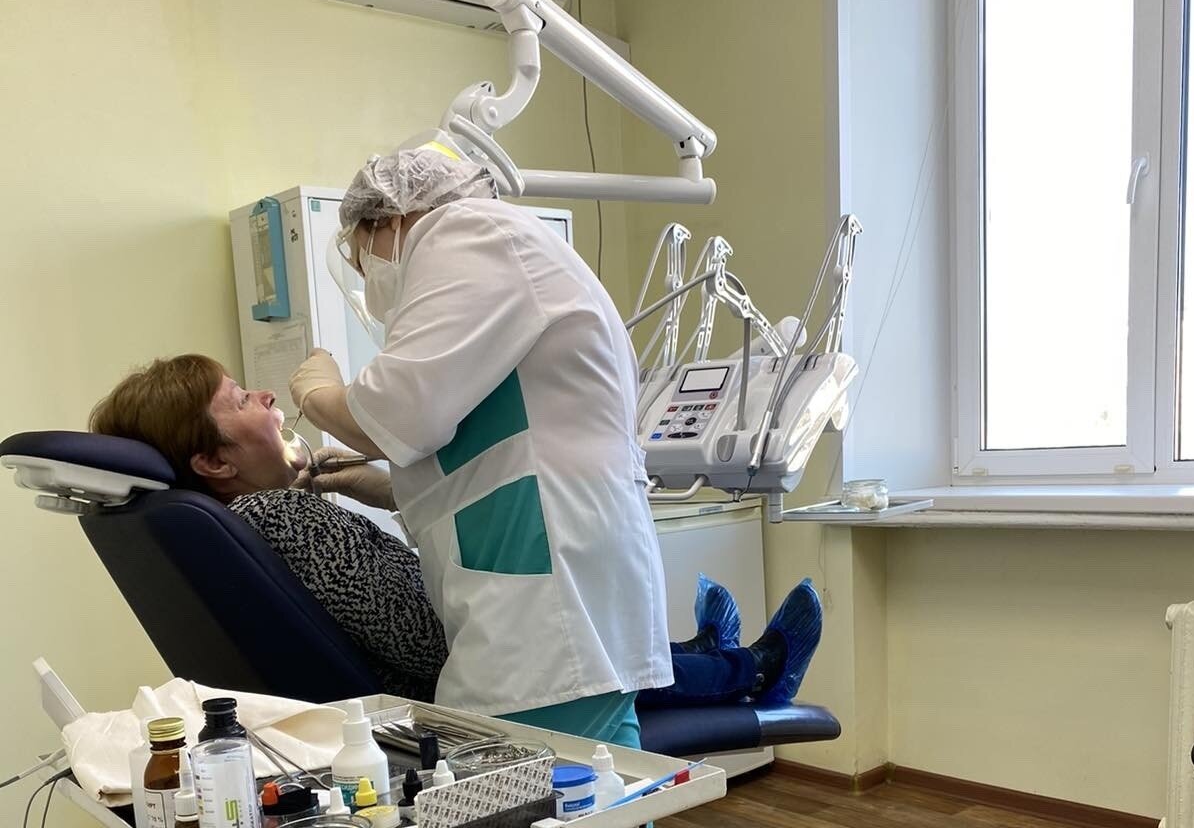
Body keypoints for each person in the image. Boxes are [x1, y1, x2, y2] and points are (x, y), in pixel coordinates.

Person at [90, 356, 823, 715]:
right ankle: (752, 673)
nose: (266, 395)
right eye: (240, 399)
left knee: (571, 623)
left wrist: (382, 492)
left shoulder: (241, 522)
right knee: (567, 629)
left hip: (407, 693)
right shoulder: (287, 518)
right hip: (455, 702)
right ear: (215, 462)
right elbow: (428, 642)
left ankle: (704, 654)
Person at [286, 145, 675, 747]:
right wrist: (390, 490)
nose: (369, 280)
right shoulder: (495, 251)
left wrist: (319, 395)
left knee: (549, 778)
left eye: (365, 259)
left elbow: (398, 410)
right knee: (599, 777)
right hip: (551, 570)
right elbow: (493, 442)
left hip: (548, 594)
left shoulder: (467, 233)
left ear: (390, 218)